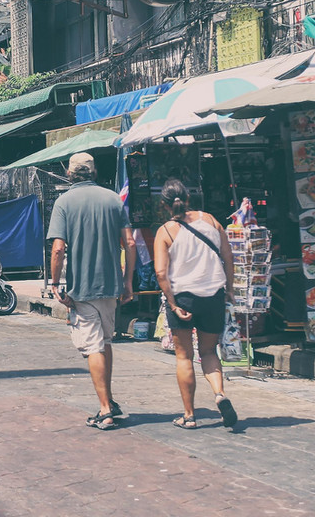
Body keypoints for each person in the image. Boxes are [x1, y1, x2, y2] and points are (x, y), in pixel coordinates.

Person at [47, 152, 136, 431]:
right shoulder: (113, 199)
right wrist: (128, 281)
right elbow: (130, 243)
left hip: (82, 288)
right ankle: (108, 398)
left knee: (93, 347)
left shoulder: (63, 202)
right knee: (105, 343)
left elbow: (58, 248)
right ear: (94, 172)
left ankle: (106, 410)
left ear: (70, 173)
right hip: (111, 285)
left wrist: (54, 283)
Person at [152, 179, 238, 430]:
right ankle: (219, 393)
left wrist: (172, 303)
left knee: (184, 356)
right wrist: (230, 289)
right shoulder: (211, 220)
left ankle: (189, 415)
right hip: (213, 296)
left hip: (183, 298)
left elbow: (160, 272)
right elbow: (228, 257)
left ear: (164, 205)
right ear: (188, 198)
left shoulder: (165, 231)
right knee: (209, 352)